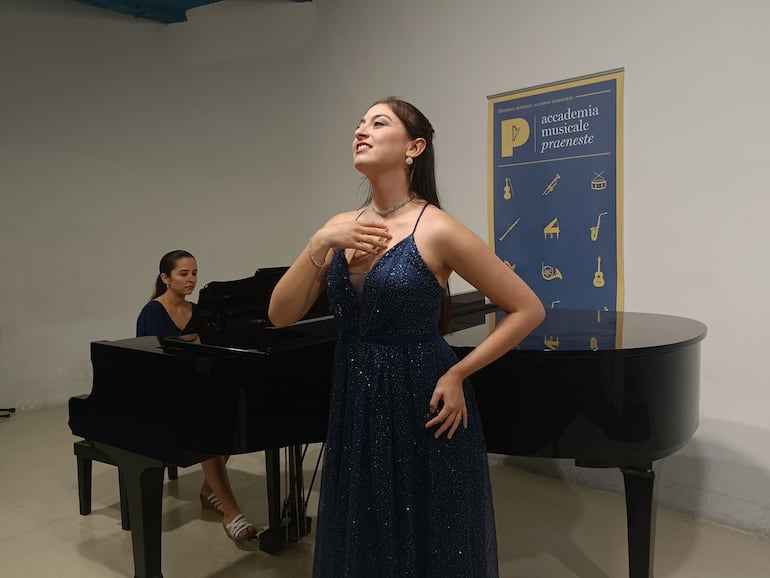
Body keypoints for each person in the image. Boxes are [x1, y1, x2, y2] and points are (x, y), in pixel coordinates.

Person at [268, 98, 546, 576]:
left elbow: (528, 308)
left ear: (414, 147)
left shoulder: (436, 228)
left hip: (423, 398)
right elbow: (280, 314)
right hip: (355, 397)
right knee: (364, 529)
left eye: (378, 123)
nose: (361, 131)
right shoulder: (338, 227)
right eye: (358, 124)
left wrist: (459, 372)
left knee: (428, 533)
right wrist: (318, 243)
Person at [136, 249, 260, 550]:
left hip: (193, 390)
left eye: (194, 273)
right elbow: (147, 363)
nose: (191, 279)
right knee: (206, 423)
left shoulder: (197, 311)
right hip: (161, 396)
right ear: (166, 278)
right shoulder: (152, 313)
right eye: (183, 273)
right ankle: (232, 514)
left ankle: (209, 491)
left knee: (232, 416)